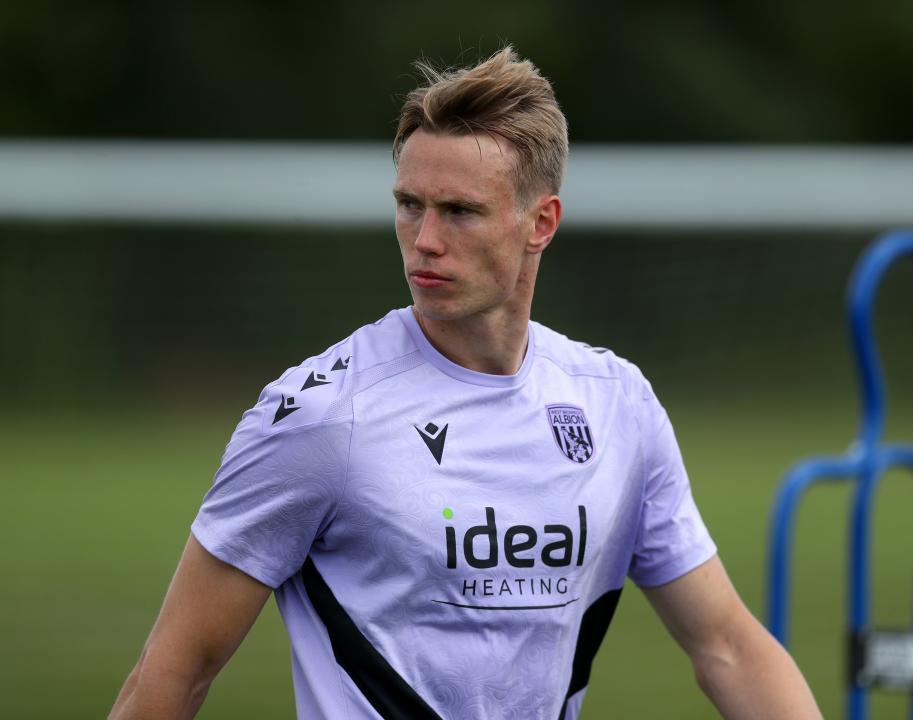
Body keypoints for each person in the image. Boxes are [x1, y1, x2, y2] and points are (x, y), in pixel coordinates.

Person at [109, 47, 822, 720]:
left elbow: (727, 646)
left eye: (459, 211)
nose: (423, 239)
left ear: (540, 223)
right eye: (409, 204)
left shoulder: (616, 404)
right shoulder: (323, 416)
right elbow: (174, 670)